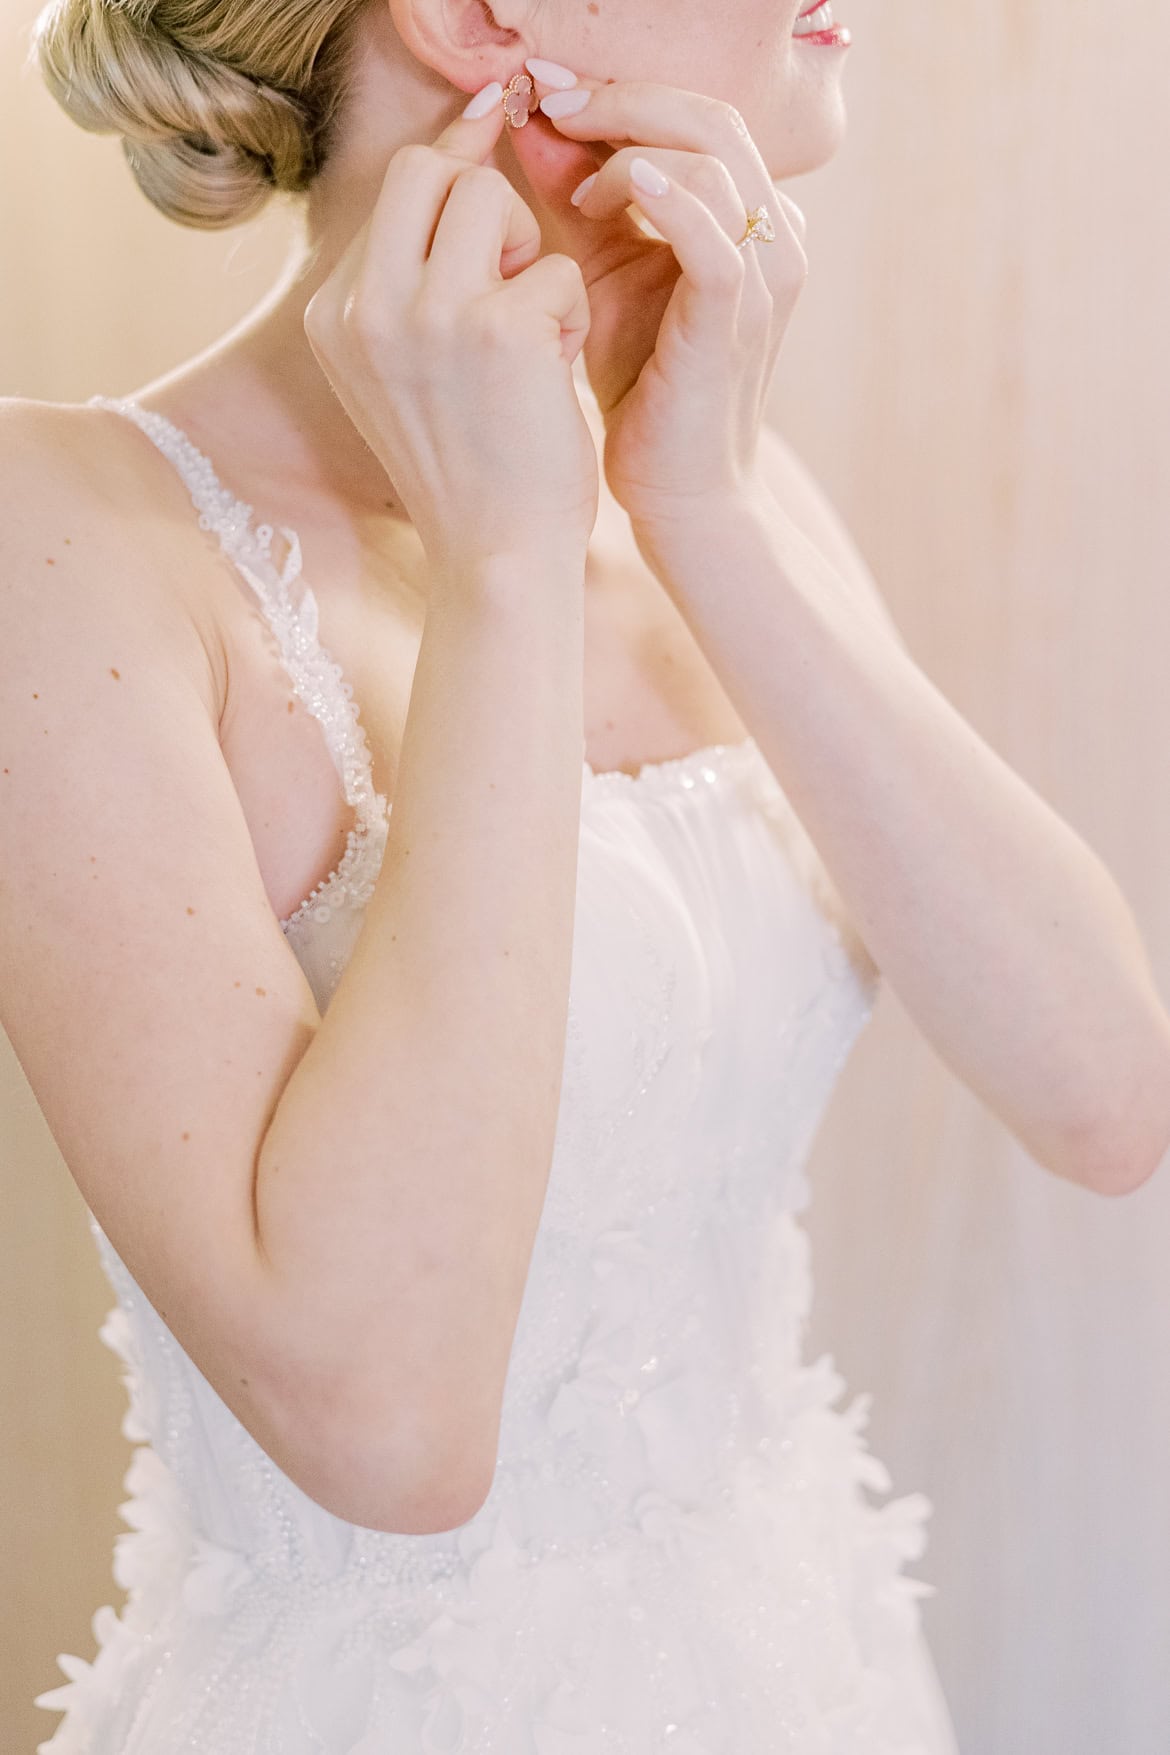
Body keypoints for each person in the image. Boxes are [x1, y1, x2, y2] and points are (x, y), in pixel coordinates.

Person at [6, 0, 1169, 1742]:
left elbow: (1103, 1097)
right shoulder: (63, 540)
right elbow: (388, 1432)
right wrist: (505, 564)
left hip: (806, 1673)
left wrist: (695, 508)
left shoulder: (711, 467)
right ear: (478, 16)